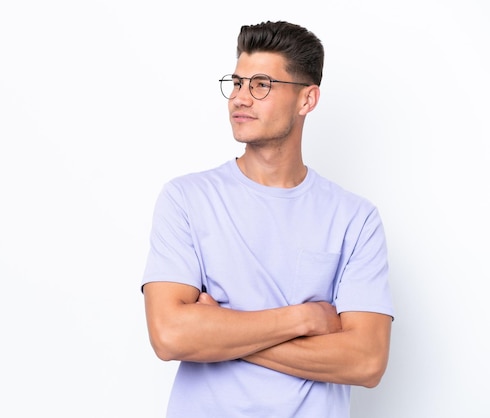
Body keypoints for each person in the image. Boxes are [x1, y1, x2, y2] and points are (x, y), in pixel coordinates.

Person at [140, 20, 394, 418]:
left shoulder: (354, 218)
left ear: (307, 100)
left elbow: (366, 361)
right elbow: (171, 335)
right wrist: (305, 318)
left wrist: (219, 331)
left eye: (261, 85)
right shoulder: (186, 199)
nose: (240, 98)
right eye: (237, 83)